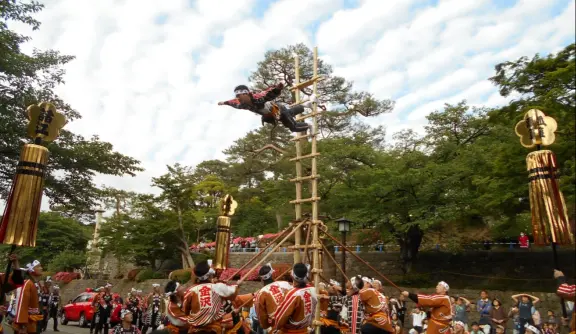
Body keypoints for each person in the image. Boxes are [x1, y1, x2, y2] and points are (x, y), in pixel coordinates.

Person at [217, 83, 317, 133]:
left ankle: (309, 125)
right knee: (290, 112)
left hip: (279, 110)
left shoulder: (258, 98)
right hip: (272, 114)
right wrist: (224, 103)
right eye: (238, 97)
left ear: (247, 94)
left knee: (293, 127)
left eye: (241, 96)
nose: (240, 99)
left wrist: (277, 89)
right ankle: (306, 105)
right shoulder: (241, 104)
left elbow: (268, 93)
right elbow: (232, 102)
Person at [183, 260, 238, 333]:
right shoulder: (218, 287)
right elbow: (232, 292)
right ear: (210, 274)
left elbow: (185, 310)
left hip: (195, 329)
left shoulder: (190, 290)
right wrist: (238, 284)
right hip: (214, 329)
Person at [272, 263, 318, 334]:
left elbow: (280, 318)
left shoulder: (293, 294)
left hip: (291, 331)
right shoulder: (313, 289)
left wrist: (276, 327)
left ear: (292, 275)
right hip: (306, 329)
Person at [254, 263, 292, 331]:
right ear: (272, 275)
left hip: (278, 327)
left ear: (261, 280)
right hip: (294, 324)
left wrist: (266, 326)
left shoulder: (260, 294)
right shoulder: (286, 284)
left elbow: (263, 320)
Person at [12, 260, 44, 334]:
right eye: (38, 266)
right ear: (32, 270)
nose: (41, 268)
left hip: (34, 323)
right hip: (26, 325)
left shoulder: (37, 284)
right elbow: (22, 304)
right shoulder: (27, 283)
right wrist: (22, 325)